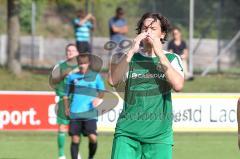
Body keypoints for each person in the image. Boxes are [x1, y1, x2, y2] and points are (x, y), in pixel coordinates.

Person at [108, 12, 184, 159]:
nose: (148, 31)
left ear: (162, 34)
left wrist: (159, 54)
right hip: (127, 134)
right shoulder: (128, 57)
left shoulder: (171, 58)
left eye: (153, 28)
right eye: (145, 28)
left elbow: (178, 85)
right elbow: (112, 81)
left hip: (159, 137)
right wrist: (131, 51)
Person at [63, 54, 105, 159]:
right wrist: (66, 108)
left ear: (89, 63)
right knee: (75, 139)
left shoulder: (96, 76)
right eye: (80, 63)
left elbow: (102, 91)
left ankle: (90, 157)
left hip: (90, 113)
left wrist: (98, 98)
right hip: (75, 112)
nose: (82, 65)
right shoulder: (72, 77)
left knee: (93, 137)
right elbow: (65, 95)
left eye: (84, 63)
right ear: (78, 64)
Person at [51, 44, 79, 159]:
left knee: (76, 129)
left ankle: (76, 153)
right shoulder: (60, 66)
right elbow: (55, 83)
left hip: (77, 101)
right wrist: (61, 96)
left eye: (72, 50)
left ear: (77, 53)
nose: (70, 52)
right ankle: (61, 155)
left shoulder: (82, 67)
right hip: (64, 100)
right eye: (68, 50)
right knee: (62, 127)